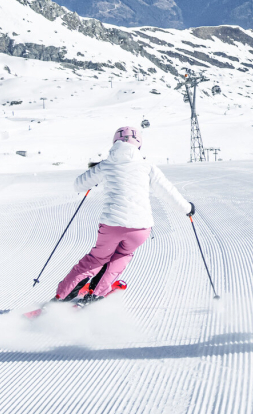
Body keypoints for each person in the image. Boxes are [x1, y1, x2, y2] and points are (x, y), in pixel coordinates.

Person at [53, 126, 194, 303]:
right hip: (140, 228)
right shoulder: (147, 167)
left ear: (115, 144)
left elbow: (78, 185)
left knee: (97, 258)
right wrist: (187, 209)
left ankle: (63, 295)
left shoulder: (106, 165)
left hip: (111, 225)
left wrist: (95, 174)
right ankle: (96, 293)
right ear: (139, 146)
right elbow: (169, 192)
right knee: (120, 257)